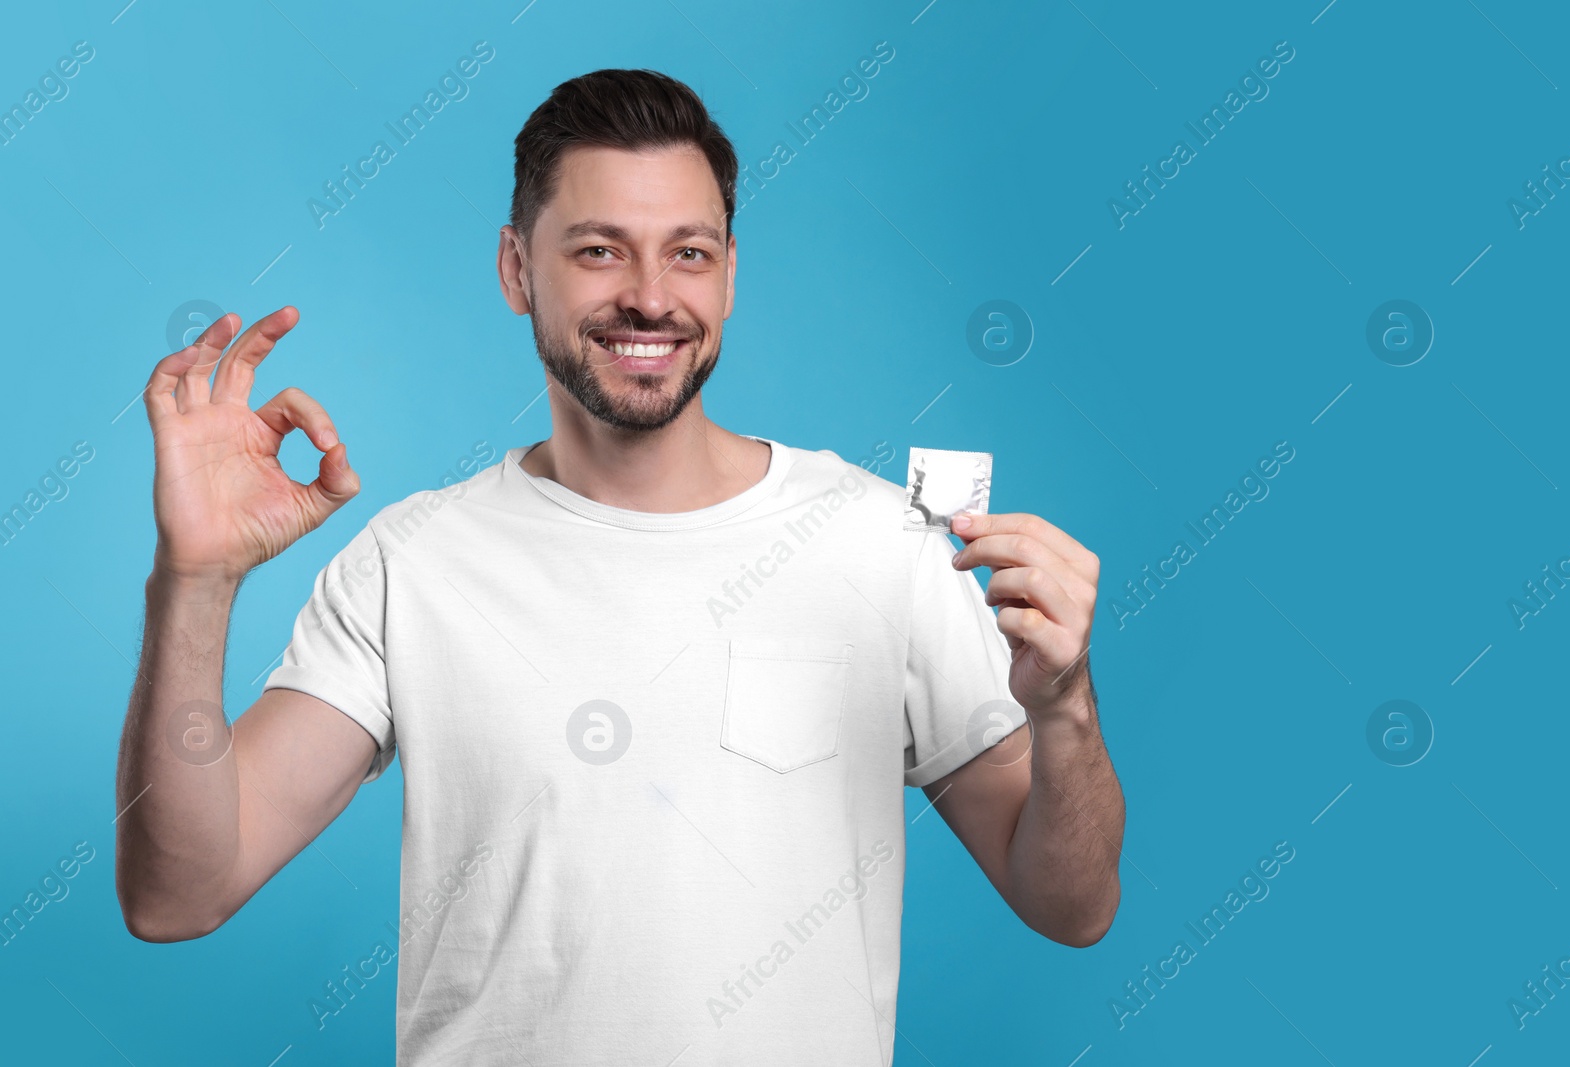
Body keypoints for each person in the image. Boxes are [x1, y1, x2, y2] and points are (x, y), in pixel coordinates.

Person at [115, 67, 1124, 1065]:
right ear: (517, 269)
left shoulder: (879, 542)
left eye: (686, 253)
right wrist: (195, 581)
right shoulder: (410, 562)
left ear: (729, 272)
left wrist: (1066, 706)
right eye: (598, 251)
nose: (649, 297)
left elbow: (1071, 904)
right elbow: (178, 893)